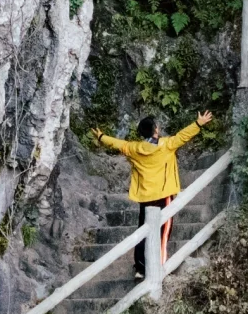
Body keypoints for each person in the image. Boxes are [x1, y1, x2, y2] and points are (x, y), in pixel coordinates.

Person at [91, 111, 213, 278]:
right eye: (157, 126)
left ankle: (141, 269)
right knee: (164, 232)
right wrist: (198, 123)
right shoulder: (166, 145)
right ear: (156, 129)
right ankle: (159, 267)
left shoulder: (134, 148)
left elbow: (117, 144)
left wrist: (101, 137)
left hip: (146, 197)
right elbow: (183, 136)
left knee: (144, 231)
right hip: (164, 196)